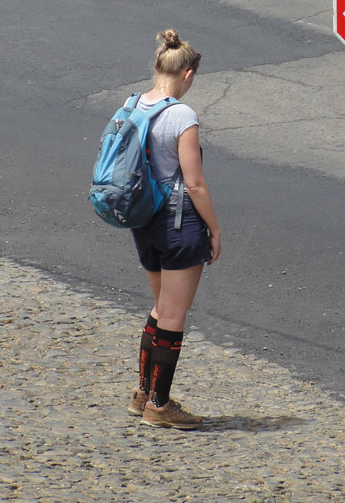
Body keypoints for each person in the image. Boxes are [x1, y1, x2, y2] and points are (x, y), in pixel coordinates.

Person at [126, 29, 221, 430]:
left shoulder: (133, 104)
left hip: (143, 220)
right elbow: (194, 182)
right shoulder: (181, 115)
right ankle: (160, 406)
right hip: (178, 223)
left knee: (159, 308)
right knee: (174, 314)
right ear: (186, 74)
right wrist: (214, 230)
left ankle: (143, 395)